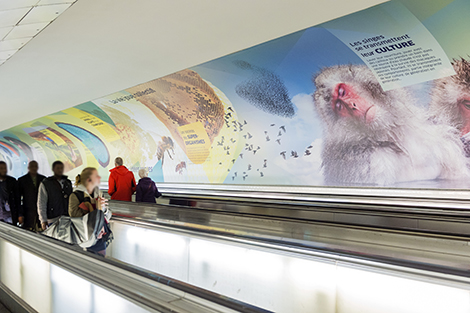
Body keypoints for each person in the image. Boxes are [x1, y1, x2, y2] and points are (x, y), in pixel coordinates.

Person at [69, 167, 111, 256]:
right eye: (96, 176)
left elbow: (107, 214)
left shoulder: (99, 193)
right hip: (85, 237)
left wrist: (103, 209)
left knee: (101, 261)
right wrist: (95, 209)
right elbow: (74, 216)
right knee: (88, 263)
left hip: (100, 235)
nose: (99, 178)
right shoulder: (75, 195)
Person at [37, 161, 73, 230]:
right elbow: (41, 203)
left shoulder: (67, 183)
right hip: (53, 219)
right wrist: (43, 220)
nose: (60, 170)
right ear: (53, 169)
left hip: (67, 218)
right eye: (58, 168)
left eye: (61, 168)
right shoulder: (46, 183)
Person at [18, 161, 46, 230]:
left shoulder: (43, 179)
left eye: (35, 166)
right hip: (27, 212)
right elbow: (18, 199)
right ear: (28, 167)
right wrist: (20, 214)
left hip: (40, 211)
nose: (34, 168)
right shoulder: (22, 180)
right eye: (32, 166)